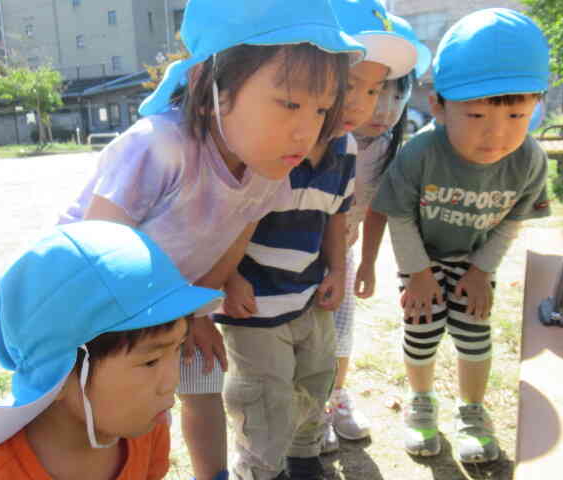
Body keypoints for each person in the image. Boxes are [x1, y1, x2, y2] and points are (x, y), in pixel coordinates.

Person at [58, 2, 365, 479]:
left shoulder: (269, 166)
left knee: (194, 389)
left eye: (321, 108)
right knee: (95, 425)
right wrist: (141, 334)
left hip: (173, 309)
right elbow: (96, 251)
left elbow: (236, 237)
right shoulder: (160, 147)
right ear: (212, 88)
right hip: (89, 317)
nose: (307, 130)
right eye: (289, 103)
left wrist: (197, 314)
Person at [215, 1, 417, 478]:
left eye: (374, 89)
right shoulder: (271, 141)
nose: (361, 103)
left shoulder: (346, 148)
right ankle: (260, 470)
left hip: (310, 293)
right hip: (255, 304)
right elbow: (229, 215)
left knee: (314, 381)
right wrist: (229, 276)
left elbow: (338, 212)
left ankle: (304, 456)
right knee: (264, 397)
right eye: (349, 85)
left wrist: (340, 269)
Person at [372, 8, 551, 463]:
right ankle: (422, 403)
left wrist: (481, 270)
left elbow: (512, 218)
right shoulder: (419, 155)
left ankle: (472, 410)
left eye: (517, 114)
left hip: (475, 263)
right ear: (438, 104)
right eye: (475, 115)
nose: (497, 135)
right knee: (421, 334)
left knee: (475, 335)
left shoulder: (529, 159)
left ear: (536, 104)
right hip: (422, 261)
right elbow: (399, 216)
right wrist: (417, 273)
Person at [0, 221, 224, 480]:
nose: (172, 381)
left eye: (178, 349)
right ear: (58, 376)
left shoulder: (145, 432)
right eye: (151, 361)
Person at [322, 13, 432, 452]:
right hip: (298, 254)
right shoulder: (321, 135)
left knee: (341, 329)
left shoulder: (388, 146)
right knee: (305, 334)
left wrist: (367, 261)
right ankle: (307, 408)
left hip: (343, 253)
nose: (382, 108)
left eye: (393, 94)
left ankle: (335, 396)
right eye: (369, 91)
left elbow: (377, 208)